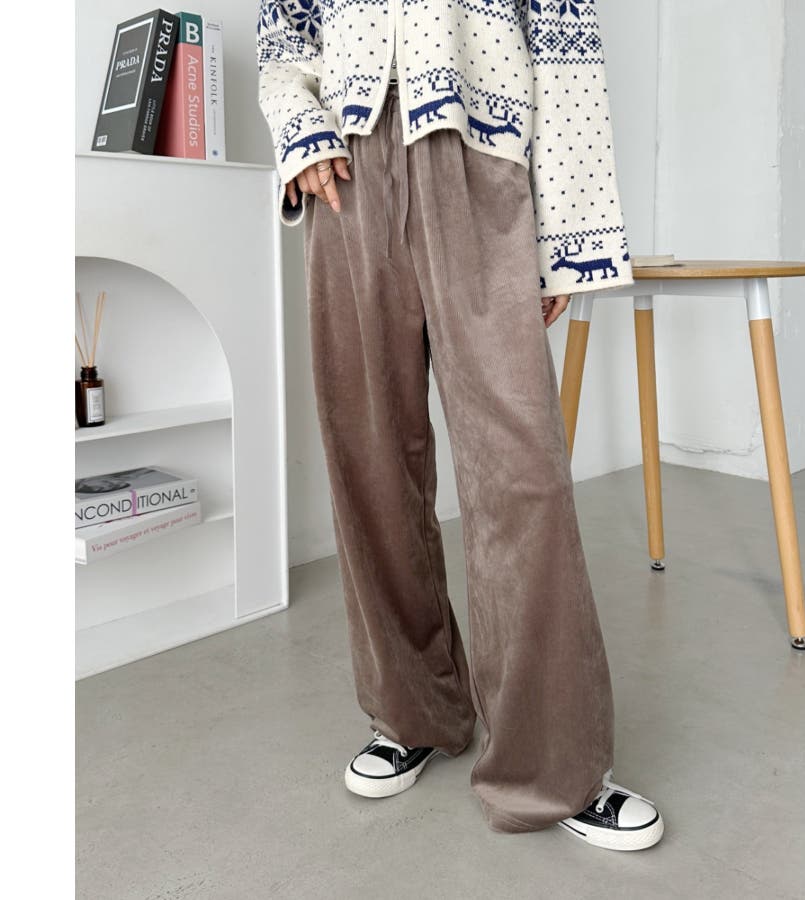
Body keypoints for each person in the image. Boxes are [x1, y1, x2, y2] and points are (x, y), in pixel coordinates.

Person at [257, 0, 663, 851]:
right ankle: (414, 711)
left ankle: (554, 767)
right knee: (369, 455)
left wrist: (568, 234)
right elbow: (283, 28)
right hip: (346, 170)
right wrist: (301, 128)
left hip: (478, 151)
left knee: (521, 468)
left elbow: (566, 46)